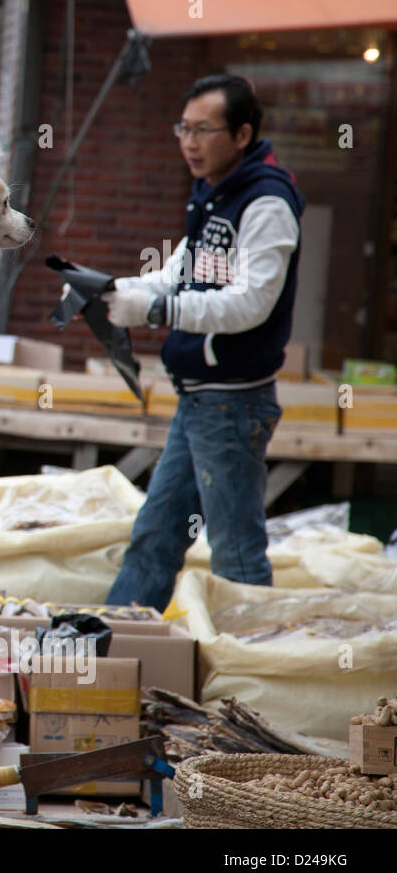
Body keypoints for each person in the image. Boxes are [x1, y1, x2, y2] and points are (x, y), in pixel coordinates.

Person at [102, 74, 304, 612]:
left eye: (203, 130)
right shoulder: (216, 197)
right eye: (183, 129)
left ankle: (250, 677)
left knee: (235, 553)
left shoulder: (265, 204)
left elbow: (250, 304)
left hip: (234, 403)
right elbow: (183, 273)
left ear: (241, 134)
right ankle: (110, 644)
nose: (189, 142)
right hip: (200, 400)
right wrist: (121, 290)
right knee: (156, 535)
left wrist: (159, 308)